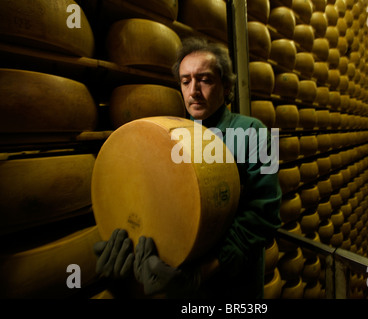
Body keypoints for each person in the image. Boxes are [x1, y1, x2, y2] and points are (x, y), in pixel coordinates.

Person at [93, 37, 282, 299]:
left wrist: (202, 273)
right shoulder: (174, 134)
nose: (193, 90)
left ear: (226, 86)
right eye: (185, 81)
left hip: (234, 286)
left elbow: (266, 217)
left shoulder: (257, 132)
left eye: (204, 80)